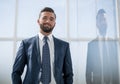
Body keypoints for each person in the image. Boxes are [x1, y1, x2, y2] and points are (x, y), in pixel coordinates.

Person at [12, 7, 73, 84]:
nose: (48, 21)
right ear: (38, 21)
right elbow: (16, 72)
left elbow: (69, 74)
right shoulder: (26, 44)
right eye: (44, 18)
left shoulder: (64, 46)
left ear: (54, 23)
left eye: (51, 19)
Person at [86, 9, 119, 84]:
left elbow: (116, 69)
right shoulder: (91, 45)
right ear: (97, 24)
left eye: (105, 19)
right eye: (101, 20)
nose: (103, 22)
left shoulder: (114, 43)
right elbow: (88, 71)